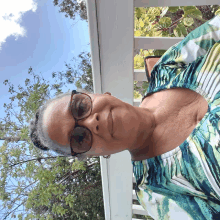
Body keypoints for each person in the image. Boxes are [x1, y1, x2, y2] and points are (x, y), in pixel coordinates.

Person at [29, 14, 220, 219]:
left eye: (80, 107)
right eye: (79, 138)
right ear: (93, 155)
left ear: (99, 94)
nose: (92, 122)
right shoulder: (157, 194)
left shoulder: (167, 68)